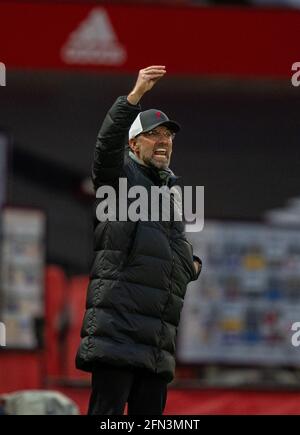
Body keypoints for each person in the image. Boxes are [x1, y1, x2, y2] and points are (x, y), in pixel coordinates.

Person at [76, 65, 202, 415]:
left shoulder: (173, 192)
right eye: (154, 134)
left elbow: (176, 246)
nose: (164, 141)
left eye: (169, 136)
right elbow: (106, 147)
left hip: (157, 341)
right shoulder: (118, 180)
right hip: (116, 335)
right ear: (133, 143)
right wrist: (133, 97)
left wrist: (192, 267)